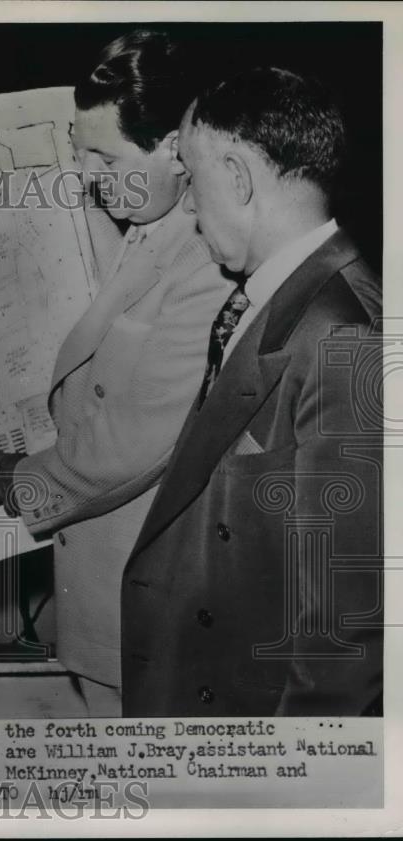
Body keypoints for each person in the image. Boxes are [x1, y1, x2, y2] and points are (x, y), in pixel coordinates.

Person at [121, 67, 382, 716]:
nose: (186, 204)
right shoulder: (276, 299)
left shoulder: (344, 334)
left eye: (193, 177)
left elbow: (347, 635)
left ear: (236, 177)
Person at [0, 30, 230, 716]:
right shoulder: (150, 227)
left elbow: (138, 437)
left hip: (145, 595)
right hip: (99, 583)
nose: (86, 172)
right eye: (77, 146)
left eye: (103, 153)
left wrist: (27, 481)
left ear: (176, 150)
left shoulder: (210, 260)